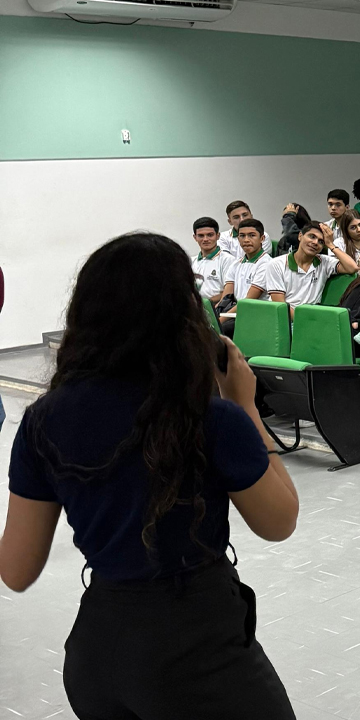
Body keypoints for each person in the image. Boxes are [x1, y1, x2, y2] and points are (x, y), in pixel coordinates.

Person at [0, 232, 298, 718]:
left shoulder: (42, 419)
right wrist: (245, 405)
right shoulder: (208, 417)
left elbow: (15, 571)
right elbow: (279, 521)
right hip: (199, 653)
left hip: (99, 656)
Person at [192, 217, 236, 305]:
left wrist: (205, 304)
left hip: (217, 308)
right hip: (194, 307)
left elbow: (229, 293)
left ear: (218, 236)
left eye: (210, 235)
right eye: (201, 236)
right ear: (195, 237)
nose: (205, 239)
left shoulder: (228, 260)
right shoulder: (191, 261)